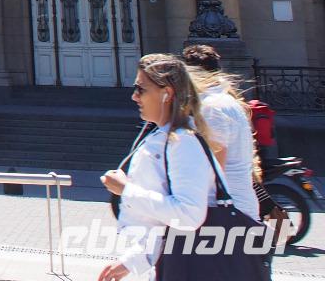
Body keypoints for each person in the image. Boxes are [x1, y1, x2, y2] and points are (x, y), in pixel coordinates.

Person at [98, 53, 220, 281]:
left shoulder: (182, 141)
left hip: (189, 266)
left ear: (167, 93)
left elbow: (188, 215)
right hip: (171, 264)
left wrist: (126, 190)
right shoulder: (164, 137)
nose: (134, 97)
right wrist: (132, 261)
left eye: (141, 89)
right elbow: (162, 225)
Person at [182, 43, 261, 220]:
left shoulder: (211, 108)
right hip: (238, 208)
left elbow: (216, 169)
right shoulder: (225, 101)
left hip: (227, 213)